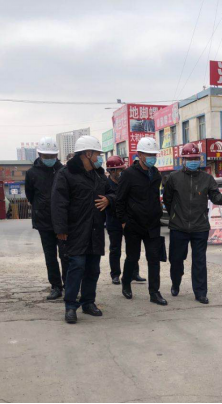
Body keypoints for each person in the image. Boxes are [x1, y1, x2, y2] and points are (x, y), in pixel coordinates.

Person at [163, 142, 222, 305]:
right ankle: (176, 283)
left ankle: (200, 293)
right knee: (176, 259)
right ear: (183, 160)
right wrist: (175, 215)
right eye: (190, 159)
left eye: (195, 158)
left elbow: (215, 197)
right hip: (178, 227)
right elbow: (168, 200)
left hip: (200, 227)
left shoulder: (207, 178)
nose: (193, 161)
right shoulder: (173, 178)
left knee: (199, 261)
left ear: (200, 159)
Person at [52, 136, 114, 324]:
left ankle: (88, 302)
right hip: (75, 230)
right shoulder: (66, 174)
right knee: (76, 267)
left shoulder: (99, 175)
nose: (99, 158)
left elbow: (113, 192)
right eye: (97, 154)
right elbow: (58, 203)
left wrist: (109, 199)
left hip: (95, 230)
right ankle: (71, 306)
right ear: (87, 154)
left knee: (93, 269)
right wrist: (61, 228)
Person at [115, 137, 168, 306]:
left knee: (154, 259)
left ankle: (154, 292)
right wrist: (124, 221)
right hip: (133, 224)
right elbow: (120, 200)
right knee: (133, 257)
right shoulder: (128, 174)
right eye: (149, 154)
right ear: (140, 154)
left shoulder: (156, 174)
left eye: (154, 154)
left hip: (152, 224)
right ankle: (126, 282)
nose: (152, 157)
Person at [25, 137, 68, 300]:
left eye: (52, 156)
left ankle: (69, 285)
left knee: (66, 255)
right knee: (50, 256)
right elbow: (30, 195)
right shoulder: (32, 173)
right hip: (43, 221)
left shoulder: (63, 171)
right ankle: (56, 286)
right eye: (46, 156)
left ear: (57, 155)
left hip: (62, 221)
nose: (50, 159)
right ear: (40, 155)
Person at [104, 156, 146, 286]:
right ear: (111, 171)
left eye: (123, 169)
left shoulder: (127, 181)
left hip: (128, 219)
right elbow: (106, 199)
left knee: (132, 248)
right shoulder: (105, 184)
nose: (122, 172)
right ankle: (115, 274)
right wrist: (111, 199)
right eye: (119, 170)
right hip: (113, 220)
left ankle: (134, 273)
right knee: (115, 248)